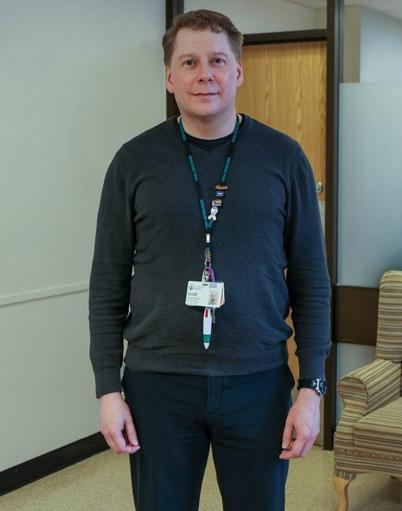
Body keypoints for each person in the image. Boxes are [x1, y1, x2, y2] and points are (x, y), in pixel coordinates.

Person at [88, 9, 331, 511]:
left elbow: (311, 280)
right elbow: (108, 281)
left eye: (218, 60)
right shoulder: (134, 161)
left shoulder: (283, 158)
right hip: (158, 385)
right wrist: (108, 388)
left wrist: (312, 387)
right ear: (170, 76)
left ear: (238, 71)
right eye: (190, 61)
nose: (205, 74)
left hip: (257, 383)